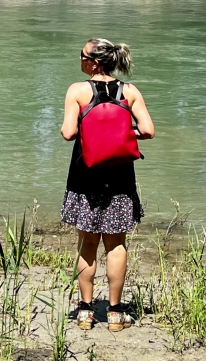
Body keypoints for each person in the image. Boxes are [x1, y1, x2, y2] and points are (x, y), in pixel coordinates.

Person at [60, 37, 155, 332]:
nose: (79, 59)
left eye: (82, 55)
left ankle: (86, 312)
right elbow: (149, 131)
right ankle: (115, 314)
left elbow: (67, 133)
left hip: (84, 176)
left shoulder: (77, 90)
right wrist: (121, 133)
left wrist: (93, 131)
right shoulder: (130, 91)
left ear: (93, 62)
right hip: (120, 177)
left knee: (87, 243)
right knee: (116, 245)